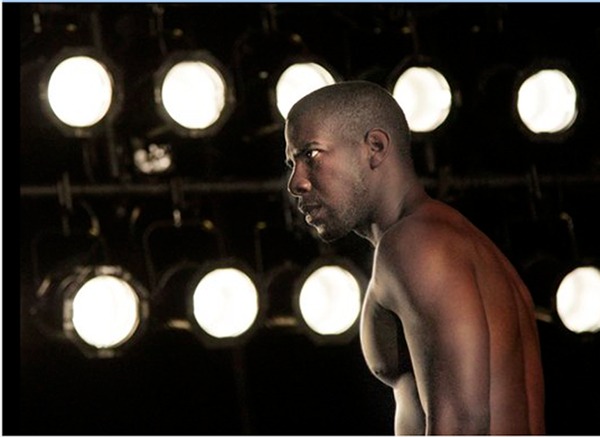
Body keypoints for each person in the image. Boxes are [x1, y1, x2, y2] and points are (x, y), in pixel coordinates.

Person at [284, 80, 545, 435]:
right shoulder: (459, 241)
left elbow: (464, 425)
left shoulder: (415, 244)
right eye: (291, 163)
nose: (296, 183)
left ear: (375, 147)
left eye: (310, 155)